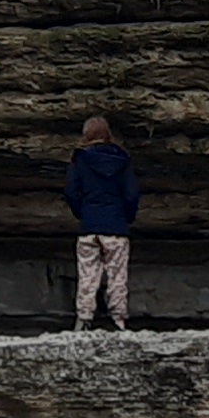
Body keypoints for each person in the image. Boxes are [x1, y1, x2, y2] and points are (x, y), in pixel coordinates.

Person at [65, 114, 141, 329]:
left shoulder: (79, 160)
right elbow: (131, 194)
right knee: (117, 274)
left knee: (88, 273)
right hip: (116, 226)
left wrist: (83, 213)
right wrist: (126, 217)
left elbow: (71, 191)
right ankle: (118, 319)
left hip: (89, 226)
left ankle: (84, 318)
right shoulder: (122, 160)